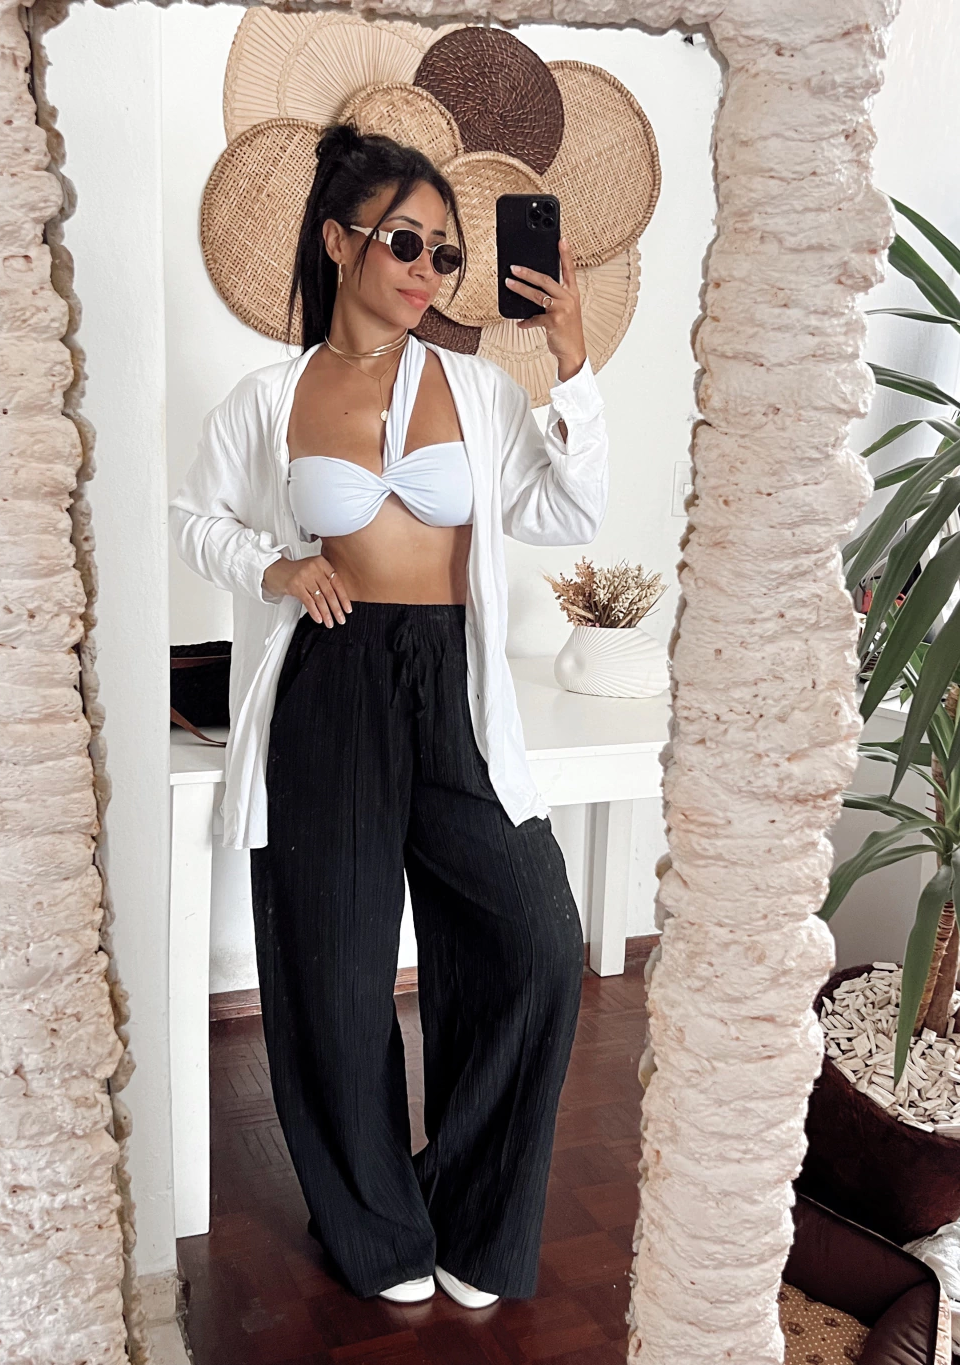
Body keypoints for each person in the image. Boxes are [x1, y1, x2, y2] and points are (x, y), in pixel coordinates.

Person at [168, 122, 610, 1310]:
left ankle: (469, 1205)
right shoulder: (270, 399)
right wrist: (271, 566)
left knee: (531, 941)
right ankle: (373, 1227)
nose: (427, 270)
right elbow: (193, 517)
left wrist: (570, 359)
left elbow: (568, 512)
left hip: (452, 679)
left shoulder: (476, 390)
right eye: (405, 243)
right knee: (333, 970)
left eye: (446, 254)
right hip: (330, 680)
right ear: (338, 241)